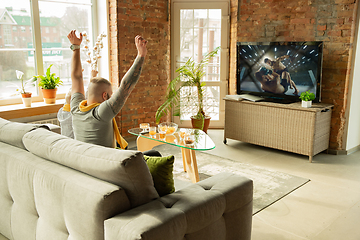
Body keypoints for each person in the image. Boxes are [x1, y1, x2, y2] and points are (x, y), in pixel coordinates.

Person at [67, 29, 160, 156]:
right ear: (104, 95)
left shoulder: (76, 108)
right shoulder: (100, 113)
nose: (112, 96)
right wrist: (141, 55)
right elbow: (125, 87)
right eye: (111, 93)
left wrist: (76, 48)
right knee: (154, 154)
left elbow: (76, 77)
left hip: (84, 161)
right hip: (107, 164)